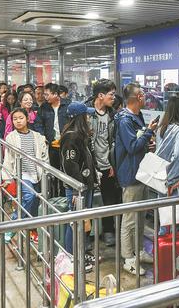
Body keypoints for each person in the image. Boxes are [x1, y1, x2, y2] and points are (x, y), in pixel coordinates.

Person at [114, 83, 158, 275]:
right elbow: (132, 146)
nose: (145, 98)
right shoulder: (124, 120)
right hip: (130, 174)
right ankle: (128, 258)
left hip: (142, 172)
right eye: (143, 95)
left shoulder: (136, 116)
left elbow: (138, 143)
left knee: (140, 215)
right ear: (138, 97)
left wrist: (149, 141)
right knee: (130, 218)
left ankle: (139, 250)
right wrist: (148, 131)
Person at [60, 102, 98, 269]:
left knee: (83, 221)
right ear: (79, 118)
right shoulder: (71, 136)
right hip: (77, 189)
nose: (89, 117)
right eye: (86, 115)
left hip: (85, 185)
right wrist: (76, 189)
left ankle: (80, 253)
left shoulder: (80, 135)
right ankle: (72, 257)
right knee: (75, 222)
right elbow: (70, 165)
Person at [2, 107, 49, 243]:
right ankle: (12, 227)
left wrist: (46, 169)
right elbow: (8, 157)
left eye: (20, 118)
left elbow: (44, 155)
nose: (18, 121)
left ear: (27, 119)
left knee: (35, 202)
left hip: (37, 173)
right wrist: (7, 177)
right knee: (29, 196)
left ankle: (31, 229)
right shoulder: (11, 137)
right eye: (15, 119)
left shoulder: (37, 136)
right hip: (22, 174)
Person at [86, 79, 121, 247]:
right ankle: (87, 234)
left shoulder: (112, 115)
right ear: (100, 95)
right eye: (111, 94)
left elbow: (112, 140)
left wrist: (112, 163)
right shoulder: (86, 112)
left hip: (107, 163)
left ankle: (108, 230)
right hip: (89, 163)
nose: (113, 98)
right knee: (87, 199)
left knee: (109, 198)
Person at [155, 91, 179, 234]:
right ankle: (175, 256)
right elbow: (178, 155)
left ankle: (163, 254)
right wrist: (173, 179)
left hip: (162, 181)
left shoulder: (162, 128)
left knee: (165, 223)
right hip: (178, 184)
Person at [34, 83, 70, 197]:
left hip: (66, 145)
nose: (45, 97)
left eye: (47, 94)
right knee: (53, 172)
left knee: (66, 172)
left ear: (56, 94)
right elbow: (38, 124)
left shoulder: (67, 105)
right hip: (51, 145)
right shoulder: (44, 108)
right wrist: (43, 137)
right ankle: (54, 196)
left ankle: (65, 196)